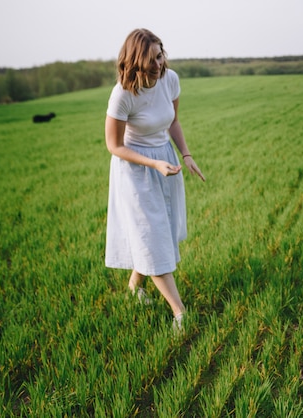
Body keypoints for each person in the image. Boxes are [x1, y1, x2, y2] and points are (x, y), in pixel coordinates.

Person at [104, 28, 205, 332]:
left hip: (166, 161)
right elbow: (114, 145)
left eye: (161, 55)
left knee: (160, 231)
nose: (159, 64)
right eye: (151, 60)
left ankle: (135, 286)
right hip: (135, 168)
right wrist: (152, 163)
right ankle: (180, 313)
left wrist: (185, 155)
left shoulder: (170, 80)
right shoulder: (123, 93)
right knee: (152, 236)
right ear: (136, 62)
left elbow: (173, 121)